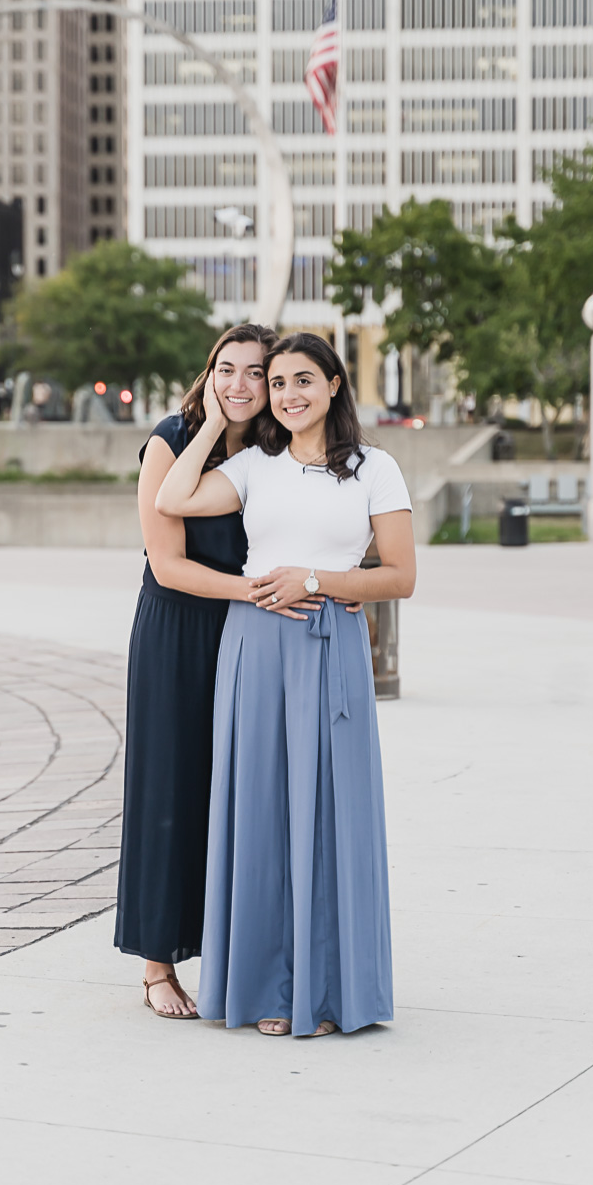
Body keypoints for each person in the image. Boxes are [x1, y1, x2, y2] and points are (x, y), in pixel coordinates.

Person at [157, 332, 415, 1037]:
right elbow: (174, 496)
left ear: (334, 384)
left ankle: (326, 992)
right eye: (277, 383)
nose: (288, 395)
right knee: (262, 814)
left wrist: (316, 580)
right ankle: (266, 986)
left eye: (304, 379)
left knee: (328, 814)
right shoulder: (254, 464)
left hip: (327, 644)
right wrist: (214, 415)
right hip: (253, 647)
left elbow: (399, 576)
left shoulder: (375, 469)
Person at [114, 324, 359, 1020]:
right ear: (209, 373)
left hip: (250, 634)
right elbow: (166, 559)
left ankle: (235, 956)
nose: (245, 385)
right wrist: (211, 423)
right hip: (179, 629)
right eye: (229, 370)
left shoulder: (271, 449)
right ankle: (157, 965)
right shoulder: (170, 437)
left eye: (259, 373)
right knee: (170, 787)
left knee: (239, 799)